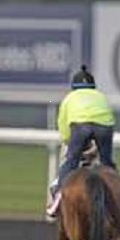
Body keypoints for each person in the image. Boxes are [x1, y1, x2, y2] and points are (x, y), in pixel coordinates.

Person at [46, 65, 116, 219]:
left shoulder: (69, 98)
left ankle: (58, 198)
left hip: (80, 127)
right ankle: (116, 200)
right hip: (104, 127)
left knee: (70, 163)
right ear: (93, 86)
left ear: (74, 87)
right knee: (107, 164)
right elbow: (110, 120)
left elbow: (63, 127)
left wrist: (70, 143)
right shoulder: (101, 96)